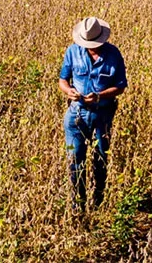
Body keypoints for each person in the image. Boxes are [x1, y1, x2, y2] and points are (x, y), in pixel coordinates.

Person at [58, 17, 127, 210]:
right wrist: (68, 90)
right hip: (75, 115)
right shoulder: (72, 52)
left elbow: (121, 86)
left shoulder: (113, 54)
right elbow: (63, 80)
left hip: (102, 116)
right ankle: (76, 206)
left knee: (101, 159)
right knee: (74, 160)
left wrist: (99, 96)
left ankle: (98, 203)